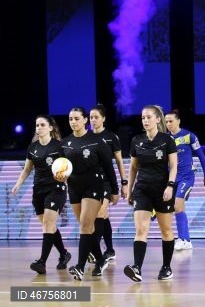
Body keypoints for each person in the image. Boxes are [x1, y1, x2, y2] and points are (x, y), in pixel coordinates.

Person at [62, 107, 118, 280]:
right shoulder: (65, 143)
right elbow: (60, 166)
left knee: (85, 225)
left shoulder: (96, 141)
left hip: (93, 185)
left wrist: (115, 190)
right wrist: (59, 175)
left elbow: (109, 166)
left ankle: (79, 266)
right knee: (88, 228)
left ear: (85, 120)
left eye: (77, 118)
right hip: (74, 187)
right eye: (71, 119)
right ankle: (100, 259)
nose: (73, 122)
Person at [122, 105, 178, 282]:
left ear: (157, 120)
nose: (145, 121)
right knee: (141, 229)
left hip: (162, 191)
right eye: (142, 118)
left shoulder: (167, 140)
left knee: (166, 230)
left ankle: (166, 267)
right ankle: (137, 267)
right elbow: (133, 167)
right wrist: (129, 189)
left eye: (148, 117)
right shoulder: (136, 140)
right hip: (142, 190)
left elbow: (174, 166)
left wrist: (170, 186)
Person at [11, 115, 71, 274]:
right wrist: (18, 184)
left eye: (42, 125)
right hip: (38, 191)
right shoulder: (33, 147)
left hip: (56, 189)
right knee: (49, 226)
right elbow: (27, 169)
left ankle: (42, 262)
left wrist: (67, 179)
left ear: (50, 128)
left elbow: (69, 168)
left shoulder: (60, 146)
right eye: (37, 125)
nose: (39, 128)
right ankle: (64, 254)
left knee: (48, 225)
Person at [164, 109, 205, 250]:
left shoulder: (189, 136)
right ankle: (186, 240)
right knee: (178, 207)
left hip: (187, 177)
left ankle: (181, 239)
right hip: (172, 179)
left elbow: (201, 157)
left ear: (178, 121)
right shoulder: (165, 139)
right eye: (166, 122)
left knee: (177, 205)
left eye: (171, 121)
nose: (168, 124)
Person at [89, 104, 128, 264]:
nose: (93, 120)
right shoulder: (86, 137)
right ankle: (110, 250)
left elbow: (119, 162)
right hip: (90, 182)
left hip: (105, 182)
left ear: (103, 119)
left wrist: (124, 183)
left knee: (100, 213)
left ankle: (93, 250)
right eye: (91, 117)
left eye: (96, 117)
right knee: (103, 217)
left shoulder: (111, 137)